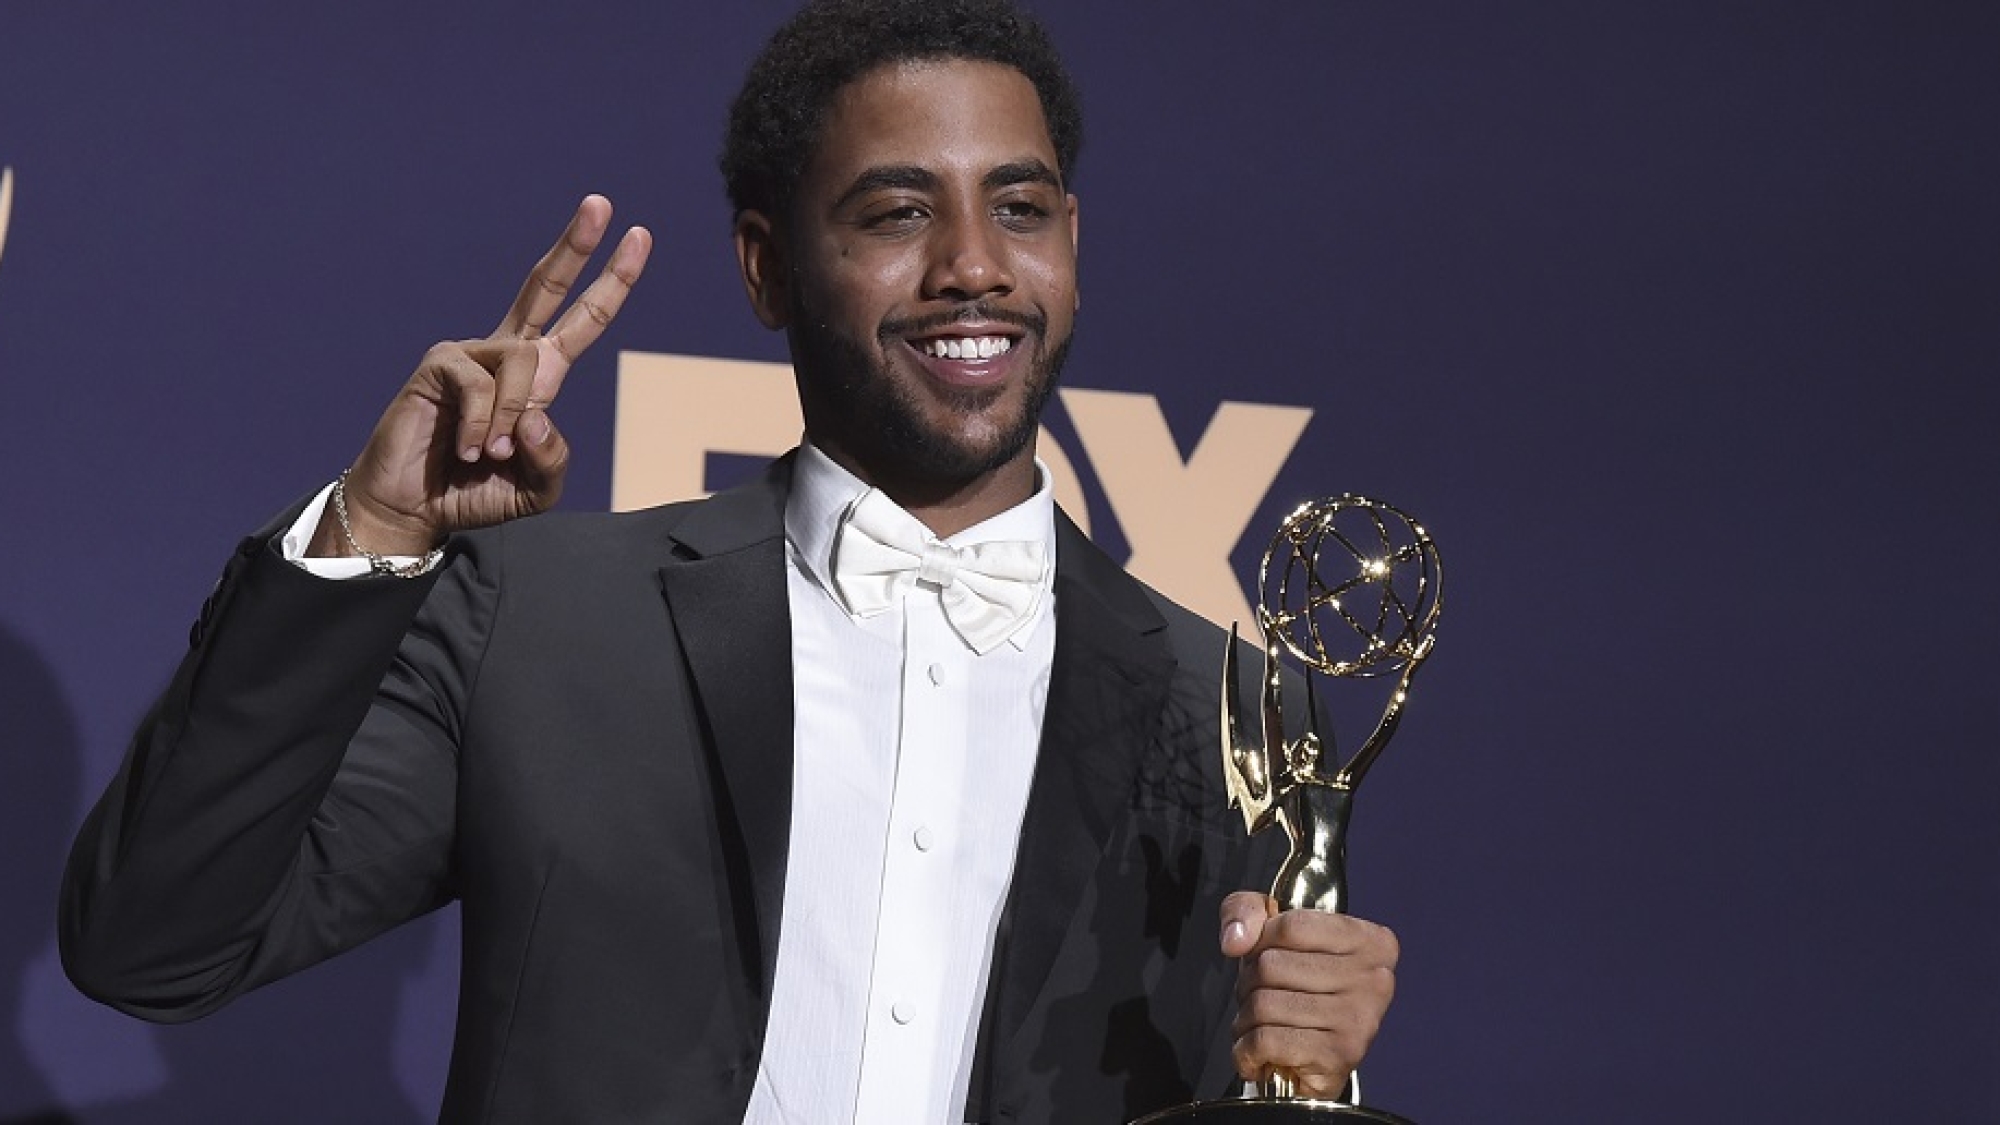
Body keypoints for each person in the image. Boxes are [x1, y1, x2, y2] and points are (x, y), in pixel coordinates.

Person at [59, 0, 1400, 1121]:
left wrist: (1309, 1075)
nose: (975, 267)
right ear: (767, 270)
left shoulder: (1231, 708)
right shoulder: (537, 617)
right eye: (894, 214)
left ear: (1073, 247)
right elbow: (156, 943)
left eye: (1021, 207)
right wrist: (374, 528)